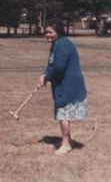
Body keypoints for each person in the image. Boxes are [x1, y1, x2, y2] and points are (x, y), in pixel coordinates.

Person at [39, 20, 87, 155]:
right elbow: (51, 65)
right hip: (62, 84)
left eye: (50, 32)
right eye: (46, 32)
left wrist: (47, 77)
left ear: (58, 32)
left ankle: (66, 144)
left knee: (63, 113)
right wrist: (44, 75)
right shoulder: (56, 44)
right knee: (62, 112)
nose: (47, 35)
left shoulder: (64, 44)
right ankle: (69, 141)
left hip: (69, 85)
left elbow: (59, 67)